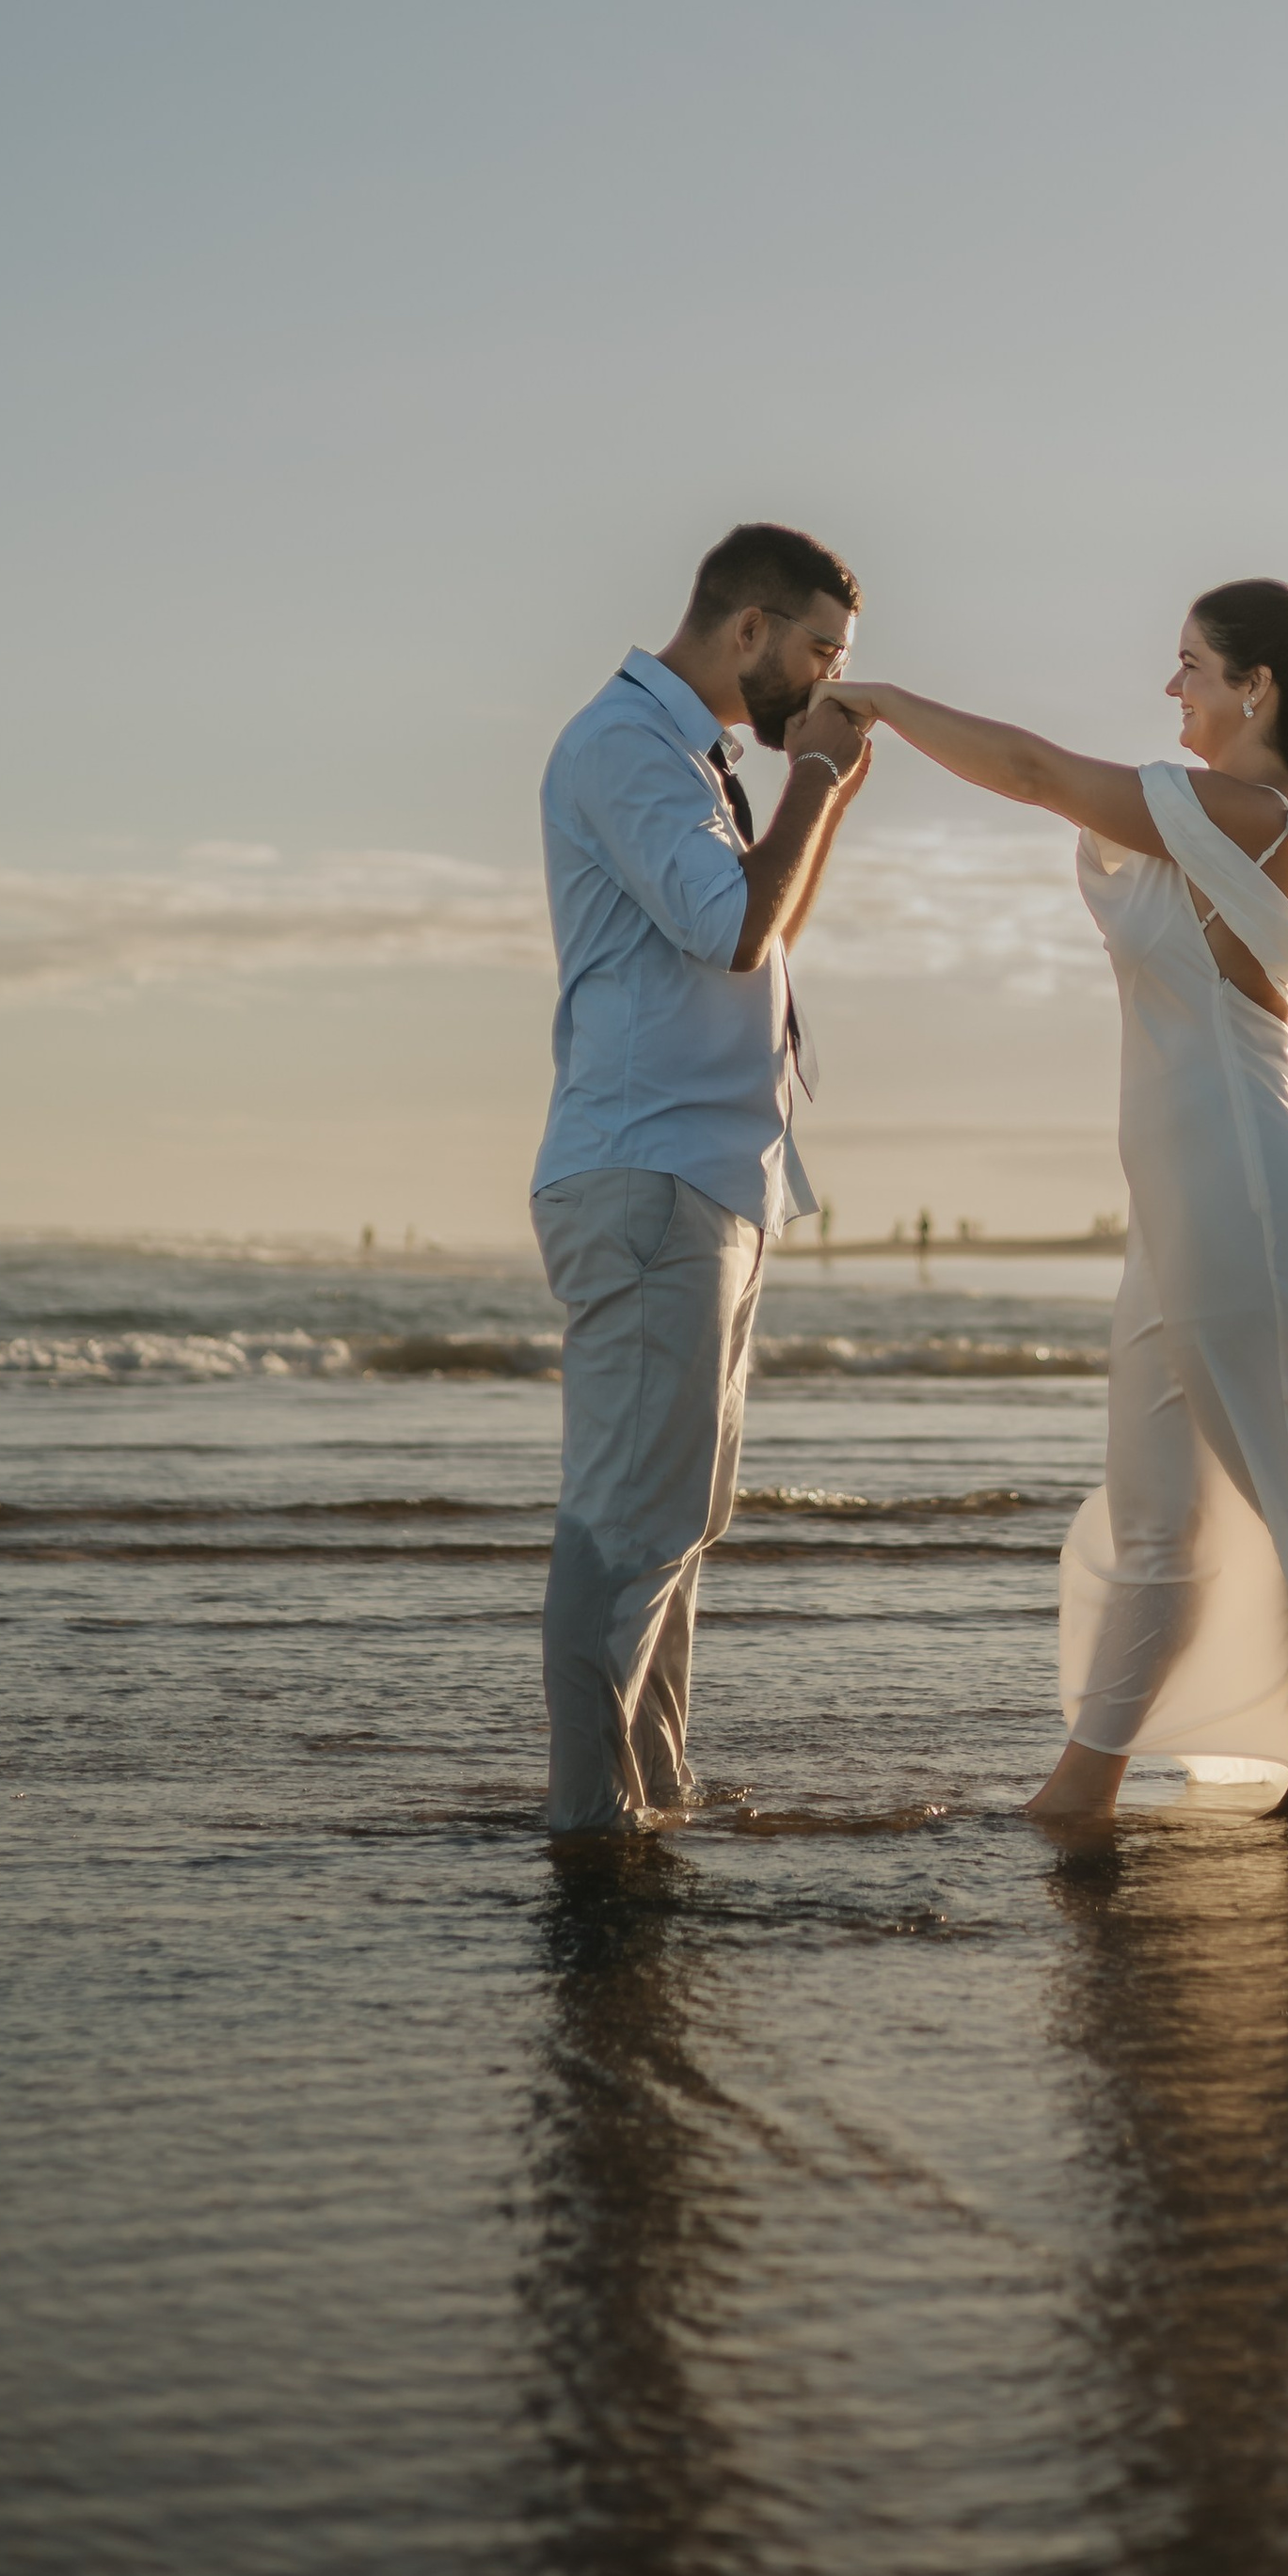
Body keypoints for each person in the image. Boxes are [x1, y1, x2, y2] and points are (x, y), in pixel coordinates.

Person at [833, 581, 1288, 1820]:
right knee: (1159, 1517)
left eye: (1190, 665)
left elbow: (1028, 767)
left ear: (1254, 687)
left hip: (1251, 1207)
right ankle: (1079, 1792)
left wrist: (883, 702)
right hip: (1182, 1221)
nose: (1171, 688)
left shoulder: (1246, 813)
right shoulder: (1225, 813)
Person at [532, 521, 869, 1836]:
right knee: (628, 1517)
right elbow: (732, 930)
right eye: (819, 652)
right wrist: (821, 781)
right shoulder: (627, 745)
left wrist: (822, 788)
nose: (827, 680)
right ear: (749, 631)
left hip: (707, 1172)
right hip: (649, 1171)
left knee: (682, 1516)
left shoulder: (692, 759)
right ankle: (590, 1827)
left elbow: (765, 919)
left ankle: (647, 1796)